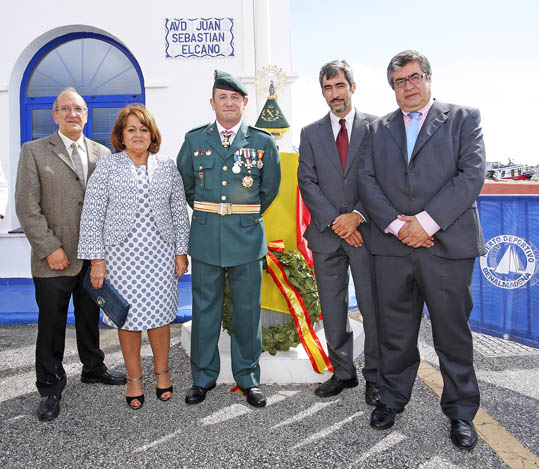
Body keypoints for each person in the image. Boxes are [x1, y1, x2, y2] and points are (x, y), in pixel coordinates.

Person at [358, 50, 485, 450]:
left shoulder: (464, 118)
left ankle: (461, 413)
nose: (408, 86)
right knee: (395, 332)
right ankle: (392, 399)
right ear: (392, 87)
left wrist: (426, 223)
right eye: (399, 81)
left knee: (452, 334)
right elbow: (367, 180)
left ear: (428, 79)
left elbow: (471, 175)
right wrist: (398, 226)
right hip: (393, 247)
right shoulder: (377, 129)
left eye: (414, 78)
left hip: (446, 246)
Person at [15, 88, 126, 422]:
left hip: (92, 258)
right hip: (54, 259)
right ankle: (50, 386)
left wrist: (102, 254)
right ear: (55, 115)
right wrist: (50, 248)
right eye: (65, 109)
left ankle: (93, 368)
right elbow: (27, 207)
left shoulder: (102, 153)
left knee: (89, 318)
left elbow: (111, 208)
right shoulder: (34, 151)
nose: (73, 114)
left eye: (78, 109)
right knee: (51, 325)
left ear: (86, 115)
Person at [177, 70, 281, 408]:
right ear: (213, 103)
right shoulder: (195, 141)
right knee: (205, 309)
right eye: (222, 97)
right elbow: (186, 185)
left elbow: (269, 190)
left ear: (244, 102)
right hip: (207, 238)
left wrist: (241, 213)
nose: (229, 103)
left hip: (247, 238)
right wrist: (210, 212)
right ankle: (203, 378)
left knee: (248, 311)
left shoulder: (261, 142)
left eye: (235, 98)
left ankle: (248, 378)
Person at [78, 104, 190, 410]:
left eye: (143, 129)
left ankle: (163, 375)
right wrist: (96, 260)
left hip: (160, 255)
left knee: (161, 317)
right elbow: (92, 215)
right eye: (131, 129)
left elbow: (179, 211)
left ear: (151, 134)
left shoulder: (167, 165)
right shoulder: (107, 166)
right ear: (121, 135)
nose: (138, 135)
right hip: (120, 258)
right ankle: (134, 379)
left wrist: (181, 252)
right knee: (128, 318)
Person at [297, 60, 380, 405]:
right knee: (332, 308)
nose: (335, 94)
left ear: (352, 87)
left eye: (340, 86)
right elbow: (307, 181)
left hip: (366, 233)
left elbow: (381, 178)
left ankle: (375, 377)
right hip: (328, 235)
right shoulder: (310, 132)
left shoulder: (378, 128)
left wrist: (357, 216)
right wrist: (336, 221)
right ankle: (343, 372)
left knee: (373, 308)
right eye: (328, 88)